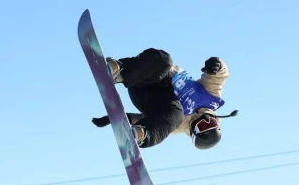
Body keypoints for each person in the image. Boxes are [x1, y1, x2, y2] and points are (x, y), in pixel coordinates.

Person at [92, 48, 237, 150]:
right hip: (151, 75)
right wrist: (216, 65)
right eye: (210, 122)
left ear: (193, 131)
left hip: (148, 97)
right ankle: (120, 70)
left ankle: (142, 134)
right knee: (165, 61)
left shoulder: (177, 124)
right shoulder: (211, 97)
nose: (204, 120)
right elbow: (219, 78)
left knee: (177, 115)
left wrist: (119, 118)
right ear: (216, 120)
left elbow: (153, 120)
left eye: (202, 127)